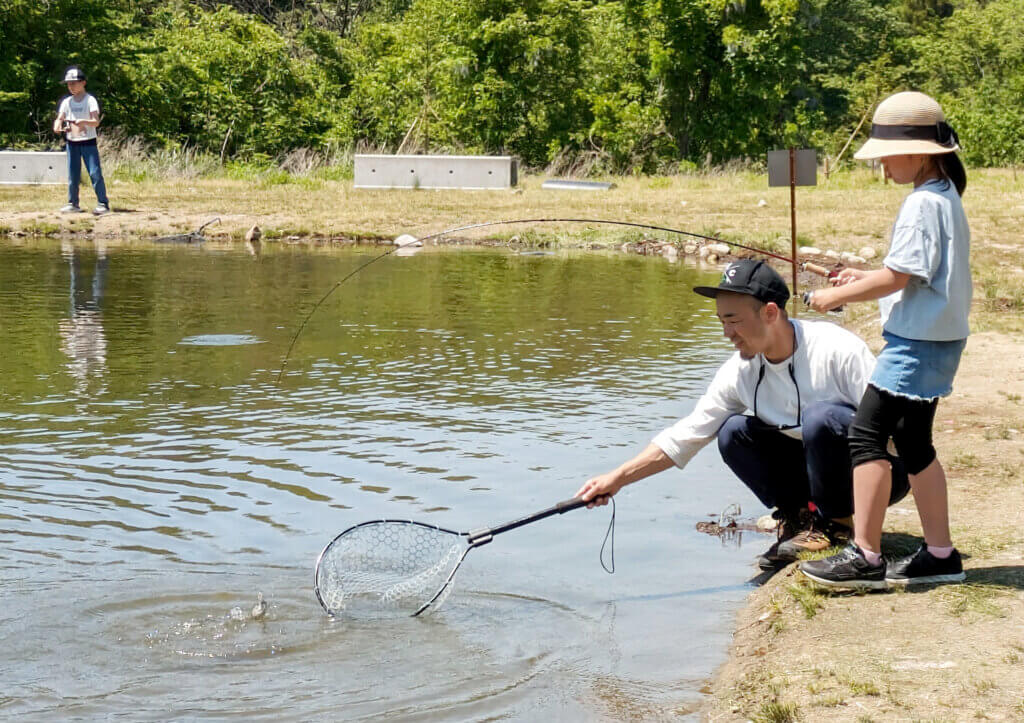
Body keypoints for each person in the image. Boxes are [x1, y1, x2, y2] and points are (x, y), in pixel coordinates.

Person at [576, 259, 910, 570]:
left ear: (769, 313)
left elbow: (893, 430)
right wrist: (616, 479)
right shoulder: (739, 372)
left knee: (821, 418)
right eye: (722, 321)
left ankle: (836, 528)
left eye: (734, 321)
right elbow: (687, 435)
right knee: (732, 432)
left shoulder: (836, 349)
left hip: (881, 471)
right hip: (816, 468)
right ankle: (800, 520)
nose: (727, 333)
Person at [800, 91, 970, 589]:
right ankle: (940, 554)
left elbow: (898, 278)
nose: (882, 165)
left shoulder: (921, 203)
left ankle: (866, 559)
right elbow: (912, 273)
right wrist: (858, 274)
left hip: (915, 343)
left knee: (866, 435)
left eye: (887, 155)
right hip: (938, 339)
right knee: (915, 443)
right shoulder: (942, 195)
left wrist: (835, 299)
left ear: (919, 151)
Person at [52, 66, 109, 216]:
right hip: (72, 142)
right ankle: (73, 203)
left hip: (88, 142)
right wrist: (57, 125)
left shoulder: (90, 100)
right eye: (69, 84)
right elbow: (60, 118)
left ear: (83, 83)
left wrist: (83, 121)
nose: (71, 86)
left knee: (95, 173)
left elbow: (95, 122)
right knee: (73, 174)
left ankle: (103, 203)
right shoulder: (66, 102)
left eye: (74, 83)